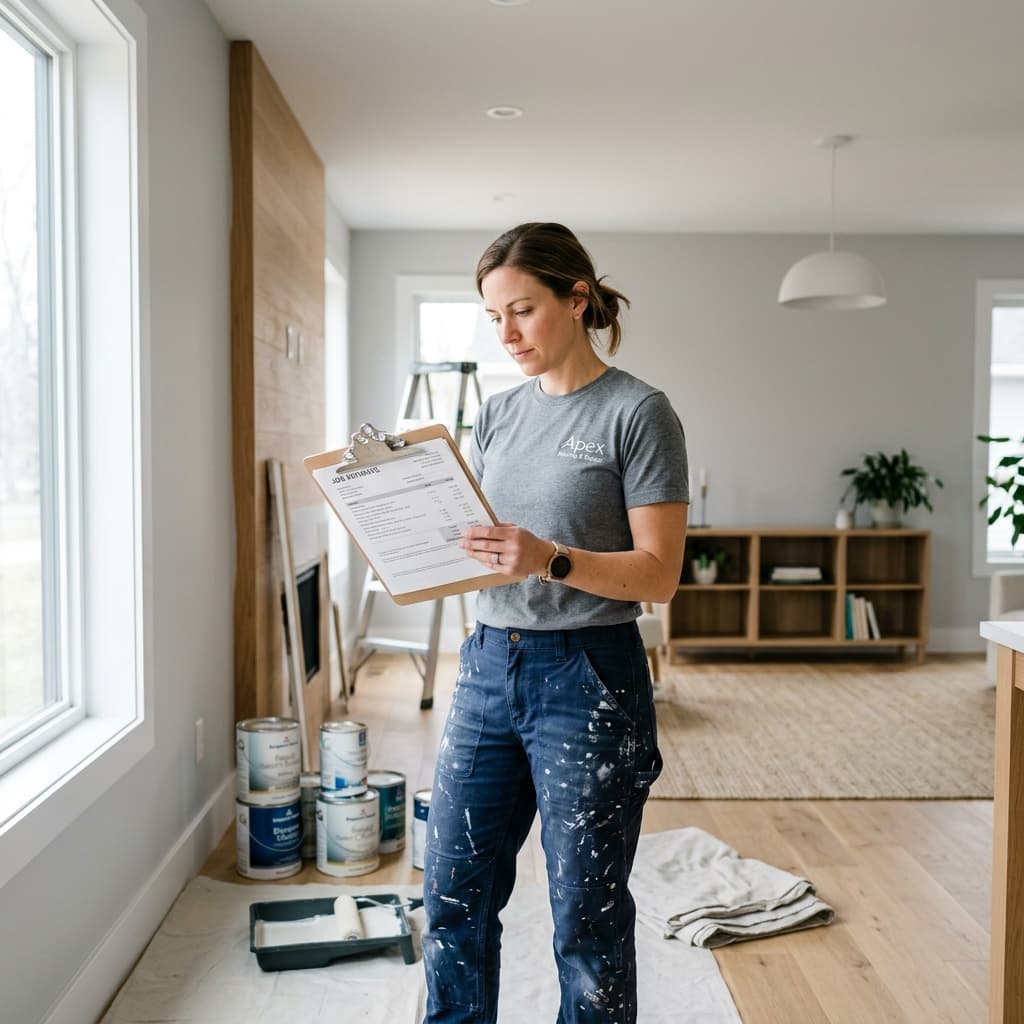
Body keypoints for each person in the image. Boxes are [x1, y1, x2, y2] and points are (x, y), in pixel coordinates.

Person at [421, 222, 689, 1023]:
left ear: (578, 299)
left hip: (590, 676)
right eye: (494, 316)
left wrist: (551, 558)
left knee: (587, 918)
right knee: (451, 897)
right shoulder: (498, 414)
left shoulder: (638, 413)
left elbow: (661, 574)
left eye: (523, 311)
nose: (506, 334)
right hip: (486, 666)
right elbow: (484, 548)